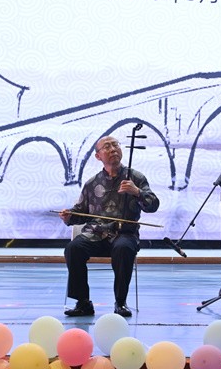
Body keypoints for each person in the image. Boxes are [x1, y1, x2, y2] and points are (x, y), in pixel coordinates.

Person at [60, 134, 160, 318]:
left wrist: (137, 192)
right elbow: (81, 212)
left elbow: (153, 205)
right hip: (95, 234)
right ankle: (83, 303)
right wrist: (68, 217)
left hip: (125, 234)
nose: (113, 149)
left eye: (115, 145)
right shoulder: (92, 183)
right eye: (107, 146)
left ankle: (120, 302)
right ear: (98, 156)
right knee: (73, 249)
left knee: (123, 248)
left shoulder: (135, 178)